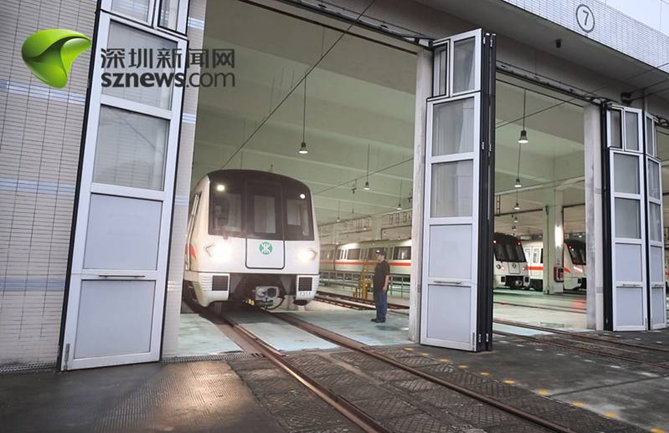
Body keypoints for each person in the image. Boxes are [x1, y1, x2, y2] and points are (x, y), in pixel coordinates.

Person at [371, 250, 390, 323]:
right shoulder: (378, 264)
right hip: (376, 287)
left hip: (382, 287)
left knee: (382, 303)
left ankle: (382, 318)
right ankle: (378, 317)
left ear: (383, 256)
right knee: (377, 303)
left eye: (378, 255)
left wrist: (385, 286)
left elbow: (387, 276)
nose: (377, 256)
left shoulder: (385, 264)